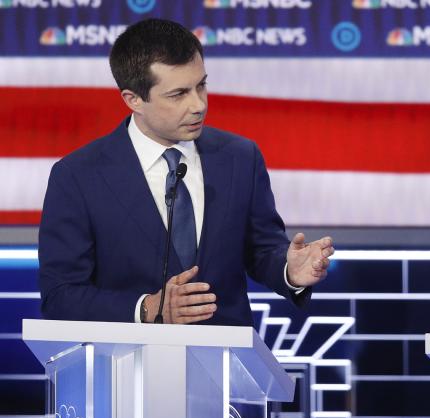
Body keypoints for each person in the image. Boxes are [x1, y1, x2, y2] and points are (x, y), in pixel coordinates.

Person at [38, 18, 334, 326]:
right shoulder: (78, 176)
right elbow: (59, 295)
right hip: (125, 364)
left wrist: (288, 270)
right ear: (134, 100)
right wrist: (145, 309)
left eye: (201, 85)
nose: (199, 105)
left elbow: (261, 248)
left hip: (223, 362)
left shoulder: (240, 157)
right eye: (179, 94)